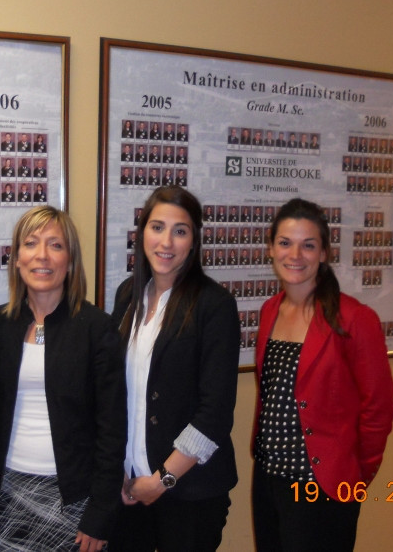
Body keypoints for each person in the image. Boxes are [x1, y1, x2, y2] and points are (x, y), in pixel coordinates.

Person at [0, 206, 125, 551]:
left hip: (75, 497)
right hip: (8, 492)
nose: (42, 256)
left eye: (55, 245)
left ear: (69, 260)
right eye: (31, 243)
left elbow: (112, 430)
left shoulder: (97, 329)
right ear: (17, 258)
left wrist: (102, 510)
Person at [250, 198, 393, 552]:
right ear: (271, 248)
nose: (295, 254)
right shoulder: (270, 310)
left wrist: (359, 476)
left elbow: (378, 409)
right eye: (285, 243)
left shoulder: (355, 319)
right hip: (269, 478)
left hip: (323, 483)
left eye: (308, 245)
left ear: (324, 253)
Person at [110, 185, 239, 551]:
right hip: (130, 487)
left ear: (194, 241)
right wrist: (119, 467)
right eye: (157, 227)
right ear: (142, 233)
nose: (166, 241)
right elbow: (118, 392)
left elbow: (214, 412)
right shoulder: (127, 296)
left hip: (189, 493)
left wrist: (163, 479)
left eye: (180, 231)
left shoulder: (214, 305)